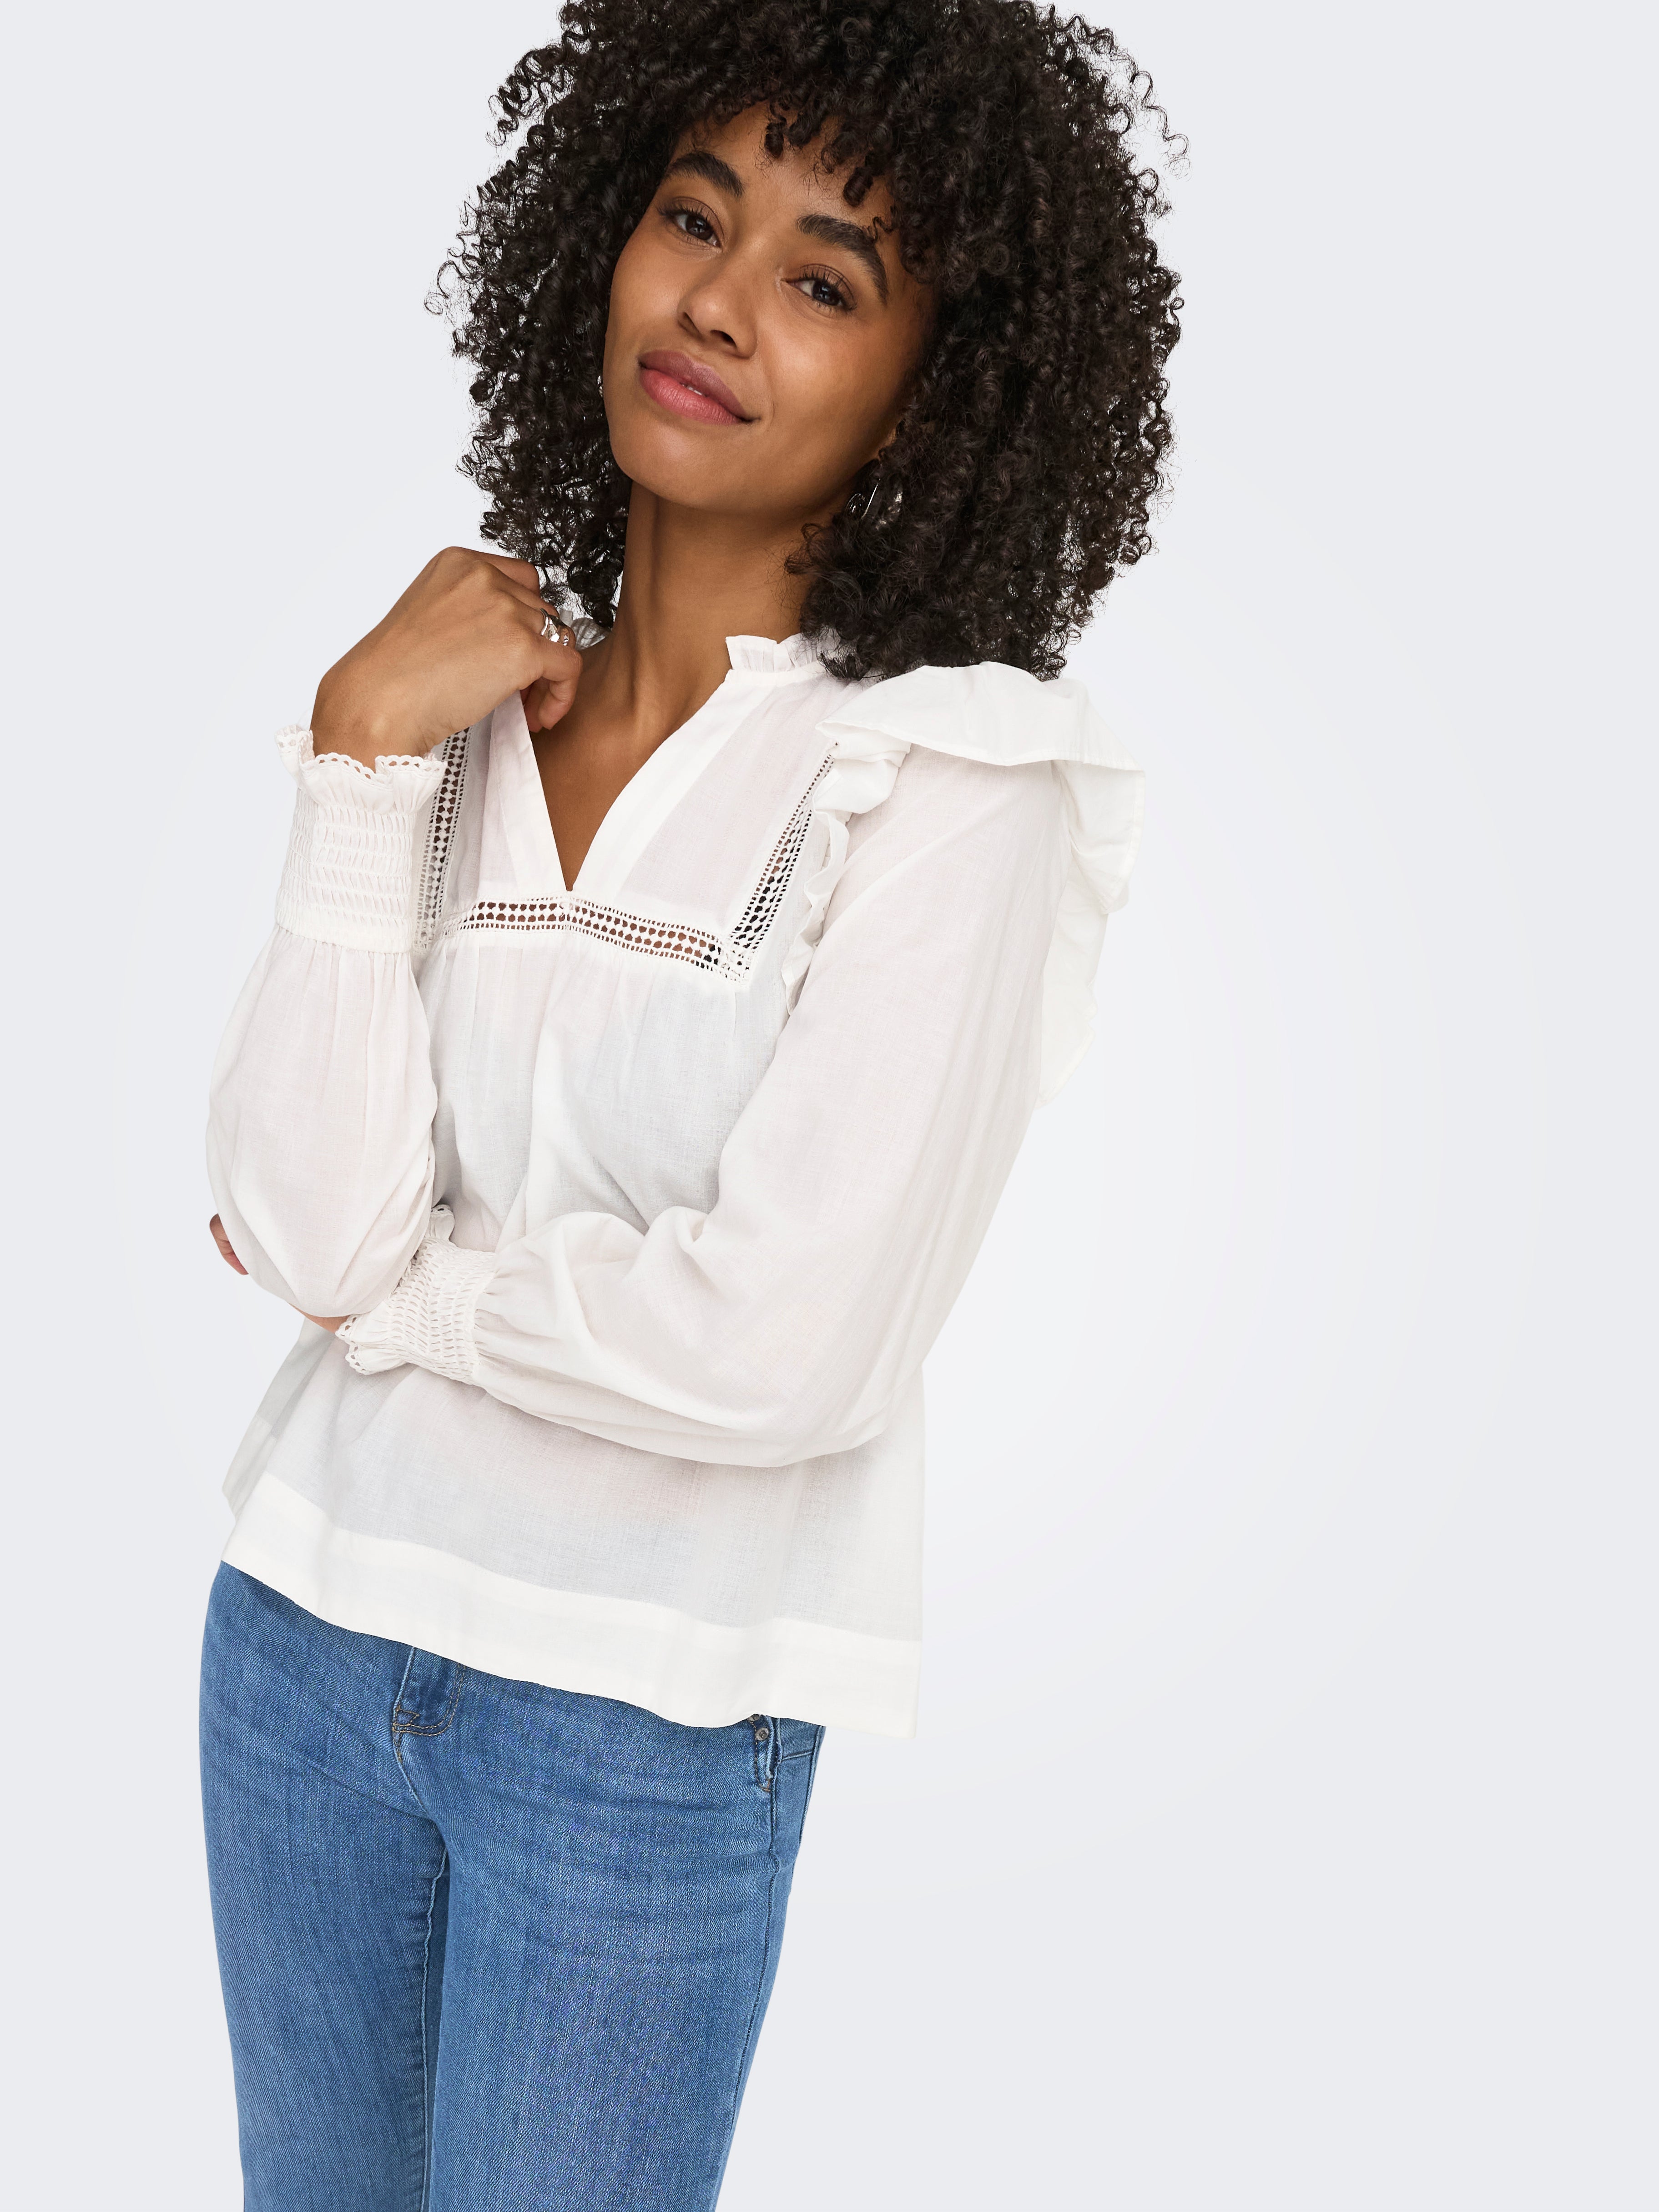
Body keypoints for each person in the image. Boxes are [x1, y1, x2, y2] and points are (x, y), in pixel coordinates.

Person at [199, 1, 1180, 2204]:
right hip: (300, 1637)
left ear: (944, 381)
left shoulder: (952, 779)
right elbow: (296, 1209)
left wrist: (400, 1302)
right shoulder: (457, 706)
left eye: (827, 277)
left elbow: (787, 1347)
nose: (722, 301)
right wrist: (355, 755)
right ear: (597, 240)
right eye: (691, 215)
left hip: (636, 1727)